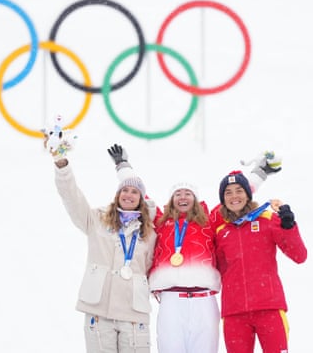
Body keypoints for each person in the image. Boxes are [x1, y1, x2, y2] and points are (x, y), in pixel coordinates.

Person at [107, 145, 281, 353]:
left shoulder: (210, 220)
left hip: (204, 301)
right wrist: (122, 166)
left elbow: (236, 197)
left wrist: (260, 173)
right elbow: (140, 196)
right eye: (178, 194)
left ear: (195, 199)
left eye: (187, 193)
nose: (182, 197)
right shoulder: (161, 221)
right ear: (172, 199)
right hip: (171, 301)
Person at [45, 132, 157, 353]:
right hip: (99, 311)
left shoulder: (150, 231)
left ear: (141, 199)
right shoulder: (97, 219)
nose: (128, 194)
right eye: (124, 190)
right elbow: (71, 197)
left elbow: (153, 266)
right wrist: (62, 165)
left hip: (134, 313)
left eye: (135, 192)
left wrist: (123, 165)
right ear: (117, 195)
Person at [211, 170, 307, 353]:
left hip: (269, 307)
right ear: (222, 199)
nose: (234, 196)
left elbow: (299, 256)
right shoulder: (221, 232)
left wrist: (288, 226)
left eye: (239, 190)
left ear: (248, 194)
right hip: (234, 312)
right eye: (228, 192)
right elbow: (215, 268)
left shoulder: (267, 220)